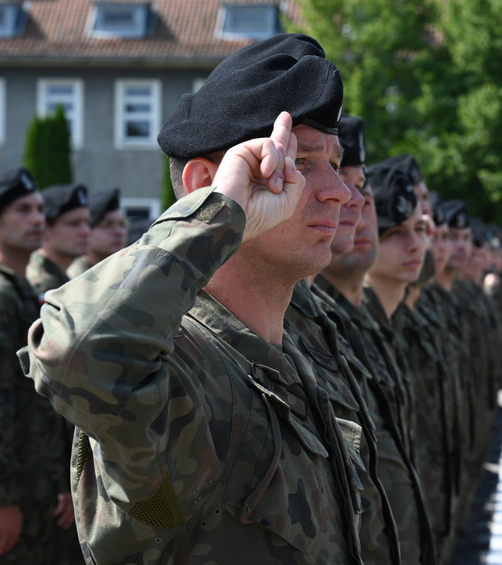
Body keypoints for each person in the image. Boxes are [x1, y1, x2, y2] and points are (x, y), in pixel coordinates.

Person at [19, 40, 365, 564]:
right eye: (303, 162)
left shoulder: (285, 362)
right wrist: (217, 214)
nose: (340, 191)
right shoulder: (184, 373)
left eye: (335, 164)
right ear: (205, 185)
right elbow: (76, 352)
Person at [314, 166, 436, 565]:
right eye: (397, 231)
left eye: (364, 195)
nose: (354, 204)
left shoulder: (366, 325)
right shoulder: (317, 329)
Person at [0, 168, 73, 564]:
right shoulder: (3, 295)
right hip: (16, 498)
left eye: (40, 210)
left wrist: (59, 482)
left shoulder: (23, 291)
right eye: (22, 209)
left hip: (40, 491)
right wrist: (3, 500)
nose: (36, 220)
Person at [26, 183, 90, 298]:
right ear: (45, 228)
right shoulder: (43, 281)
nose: (85, 231)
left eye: (87, 223)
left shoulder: (58, 274)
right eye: (74, 224)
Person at [67, 188, 128, 278]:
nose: (119, 232)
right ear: (87, 231)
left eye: (122, 224)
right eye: (106, 225)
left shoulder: (121, 270)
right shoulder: (75, 276)